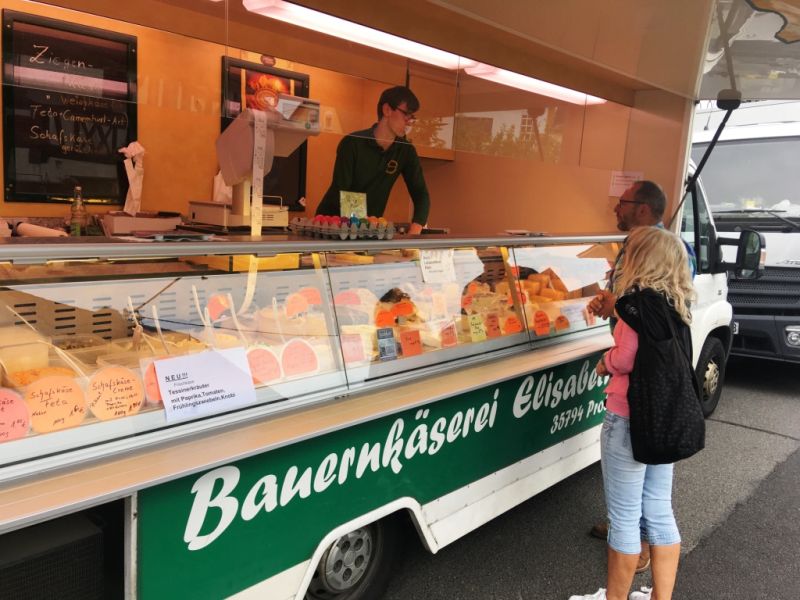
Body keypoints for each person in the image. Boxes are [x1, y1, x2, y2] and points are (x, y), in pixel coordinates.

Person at [569, 226, 695, 600]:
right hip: (663, 421)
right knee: (658, 510)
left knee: (623, 518)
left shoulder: (634, 305)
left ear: (640, 260)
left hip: (627, 419)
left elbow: (625, 357)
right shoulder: (677, 306)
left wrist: (604, 363)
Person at [315, 85, 430, 235]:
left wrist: (416, 229)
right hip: (332, 224)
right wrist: (362, 228)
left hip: (368, 228)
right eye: (406, 114)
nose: (409, 122)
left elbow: (420, 193)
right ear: (387, 110)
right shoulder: (353, 143)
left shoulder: (405, 150)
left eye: (412, 117)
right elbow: (344, 189)